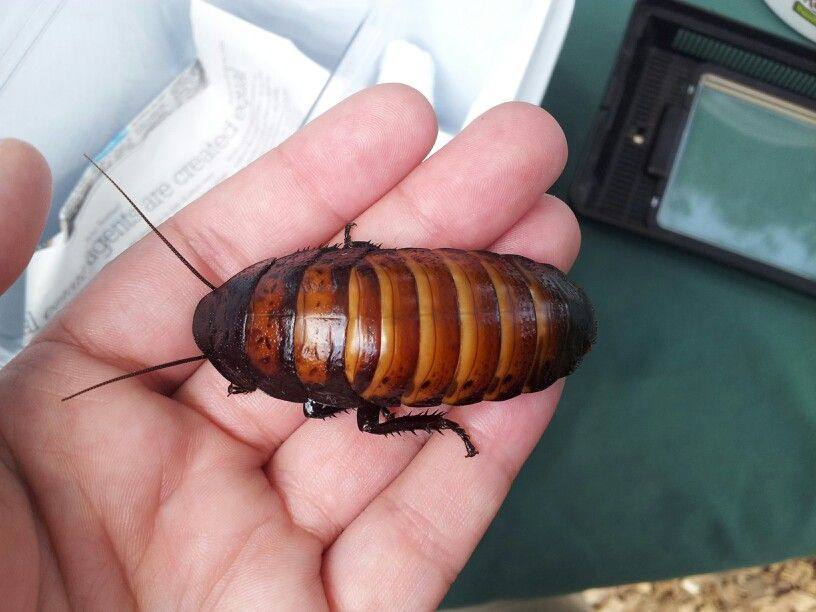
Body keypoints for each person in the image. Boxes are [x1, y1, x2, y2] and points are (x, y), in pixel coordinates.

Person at [0, 84, 579, 609]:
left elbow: (342, 406)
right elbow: (351, 259)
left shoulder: (301, 383)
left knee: (370, 421)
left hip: (487, 333)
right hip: (463, 291)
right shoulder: (303, 278)